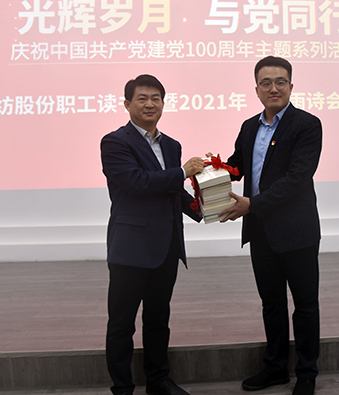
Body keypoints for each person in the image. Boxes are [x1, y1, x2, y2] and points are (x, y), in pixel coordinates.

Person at [219, 56, 322, 395]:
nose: (273, 88)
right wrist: (209, 172)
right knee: (272, 303)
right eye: (266, 83)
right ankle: (276, 368)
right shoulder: (249, 126)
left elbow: (297, 179)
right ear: (257, 89)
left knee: (304, 305)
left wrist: (251, 205)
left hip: (297, 231)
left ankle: (306, 373)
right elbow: (237, 166)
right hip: (261, 231)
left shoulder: (307, 125)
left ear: (291, 86)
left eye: (280, 82)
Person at [100, 74, 204, 395]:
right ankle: (122, 388)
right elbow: (137, 182)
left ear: (163, 103)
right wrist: (183, 172)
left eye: (156, 98)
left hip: (166, 247)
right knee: (122, 324)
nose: (150, 104)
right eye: (142, 98)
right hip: (130, 249)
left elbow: (173, 191)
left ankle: (158, 381)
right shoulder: (115, 142)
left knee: (158, 320)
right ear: (127, 104)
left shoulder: (171, 145)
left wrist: (205, 207)